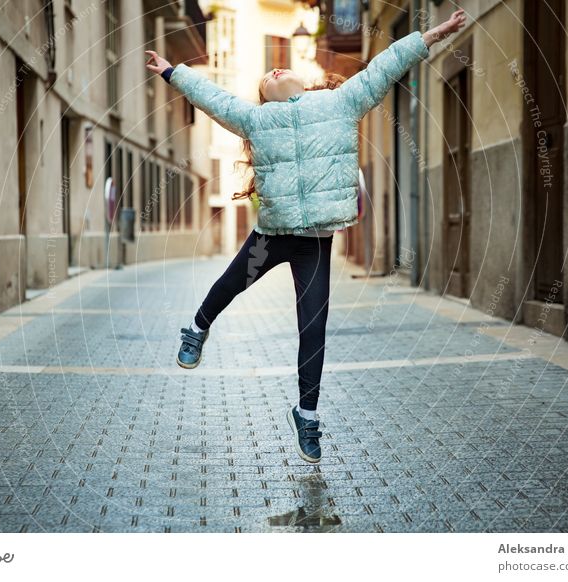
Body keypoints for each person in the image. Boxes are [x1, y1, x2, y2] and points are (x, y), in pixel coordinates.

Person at [145, 8, 467, 464]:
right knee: (229, 284)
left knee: (313, 329)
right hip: (273, 234)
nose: (273, 70)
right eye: (264, 78)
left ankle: (308, 417)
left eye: (280, 68)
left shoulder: (342, 103)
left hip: (316, 240)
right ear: (265, 98)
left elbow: (386, 65)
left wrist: (432, 34)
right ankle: (196, 330)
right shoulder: (256, 121)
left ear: (302, 81)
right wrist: (173, 73)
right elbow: (213, 99)